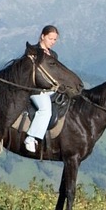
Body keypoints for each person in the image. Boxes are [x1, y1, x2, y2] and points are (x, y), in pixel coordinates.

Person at [24, 25, 61, 153]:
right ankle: (30, 137)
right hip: (36, 89)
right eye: (50, 38)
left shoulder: (54, 54)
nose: (52, 42)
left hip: (51, 89)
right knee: (45, 109)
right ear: (42, 36)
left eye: (55, 40)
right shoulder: (32, 51)